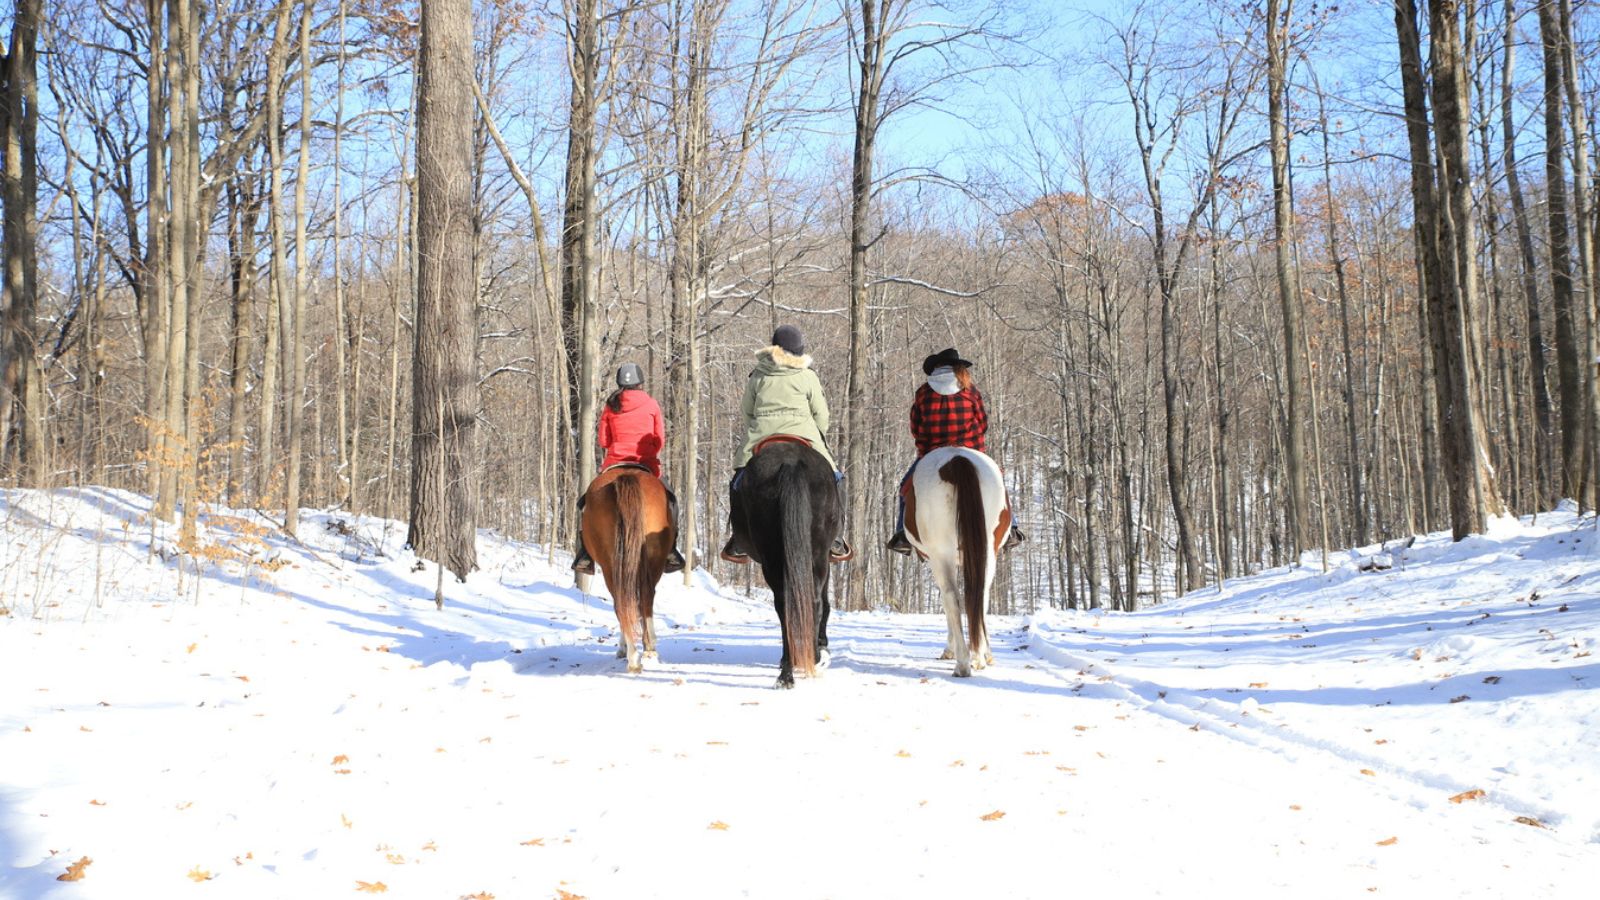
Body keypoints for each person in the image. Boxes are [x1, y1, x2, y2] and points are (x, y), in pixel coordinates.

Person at [720, 324, 853, 564]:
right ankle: (836, 538)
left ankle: (739, 539)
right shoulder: (808, 376)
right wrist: (816, 434)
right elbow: (822, 416)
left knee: (739, 480)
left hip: (761, 437)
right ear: (799, 351)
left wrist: (759, 429)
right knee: (836, 477)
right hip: (805, 435)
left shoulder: (758, 375)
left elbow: (746, 413)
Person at [886, 347, 1025, 554]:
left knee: (905, 488)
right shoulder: (970, 390)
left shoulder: (923, 392)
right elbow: (983, 423)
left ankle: (902, 535)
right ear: (957, 368)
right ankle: (1011, 528)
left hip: (932, 453)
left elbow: (915, 428)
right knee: (998, 482)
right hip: (971, 449)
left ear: (936, 368)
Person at [572, 363, 686, 575]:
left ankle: (585, 554)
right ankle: (671, 550)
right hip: (645, 463)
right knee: (671, 501)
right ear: (640, 382)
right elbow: (659, 439)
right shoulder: (651, 405)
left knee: (585, 504)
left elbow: (604, 440)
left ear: (620, 383)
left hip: (615, 461)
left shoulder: (611, 405)